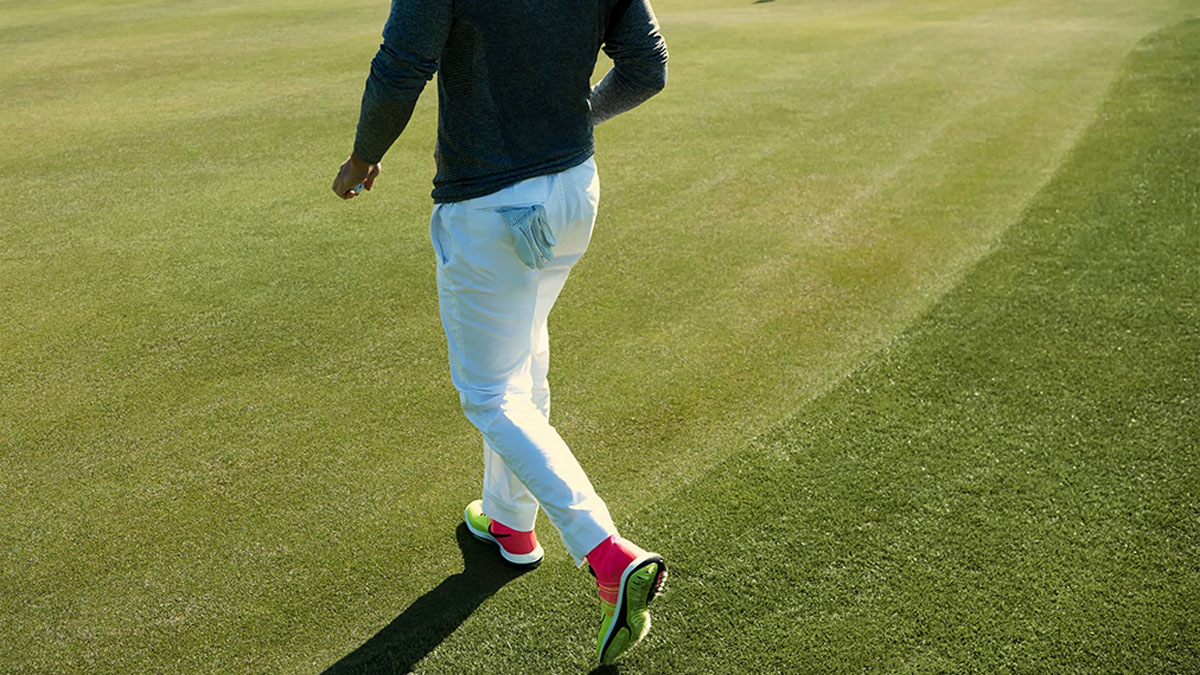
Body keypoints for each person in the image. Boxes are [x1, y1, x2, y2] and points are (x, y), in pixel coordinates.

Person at [330, 0, 669, 665]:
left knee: (489, 392)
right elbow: (648, 68)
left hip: (491, 206)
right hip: (573, 189)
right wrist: (573, 117)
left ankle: (607, 552)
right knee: (523, 357)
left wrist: (365, 154)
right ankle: (511, 522)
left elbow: (402, 64)